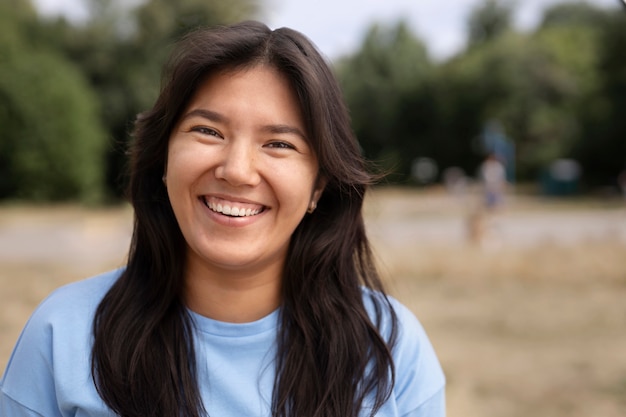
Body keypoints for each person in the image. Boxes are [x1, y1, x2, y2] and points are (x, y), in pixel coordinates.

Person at [0, 21, 445, 417]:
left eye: (278, 144)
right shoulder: (63, 335)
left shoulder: (390, 349)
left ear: (318, 187)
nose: (236, 169)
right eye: (208, 131)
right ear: (163, 159)